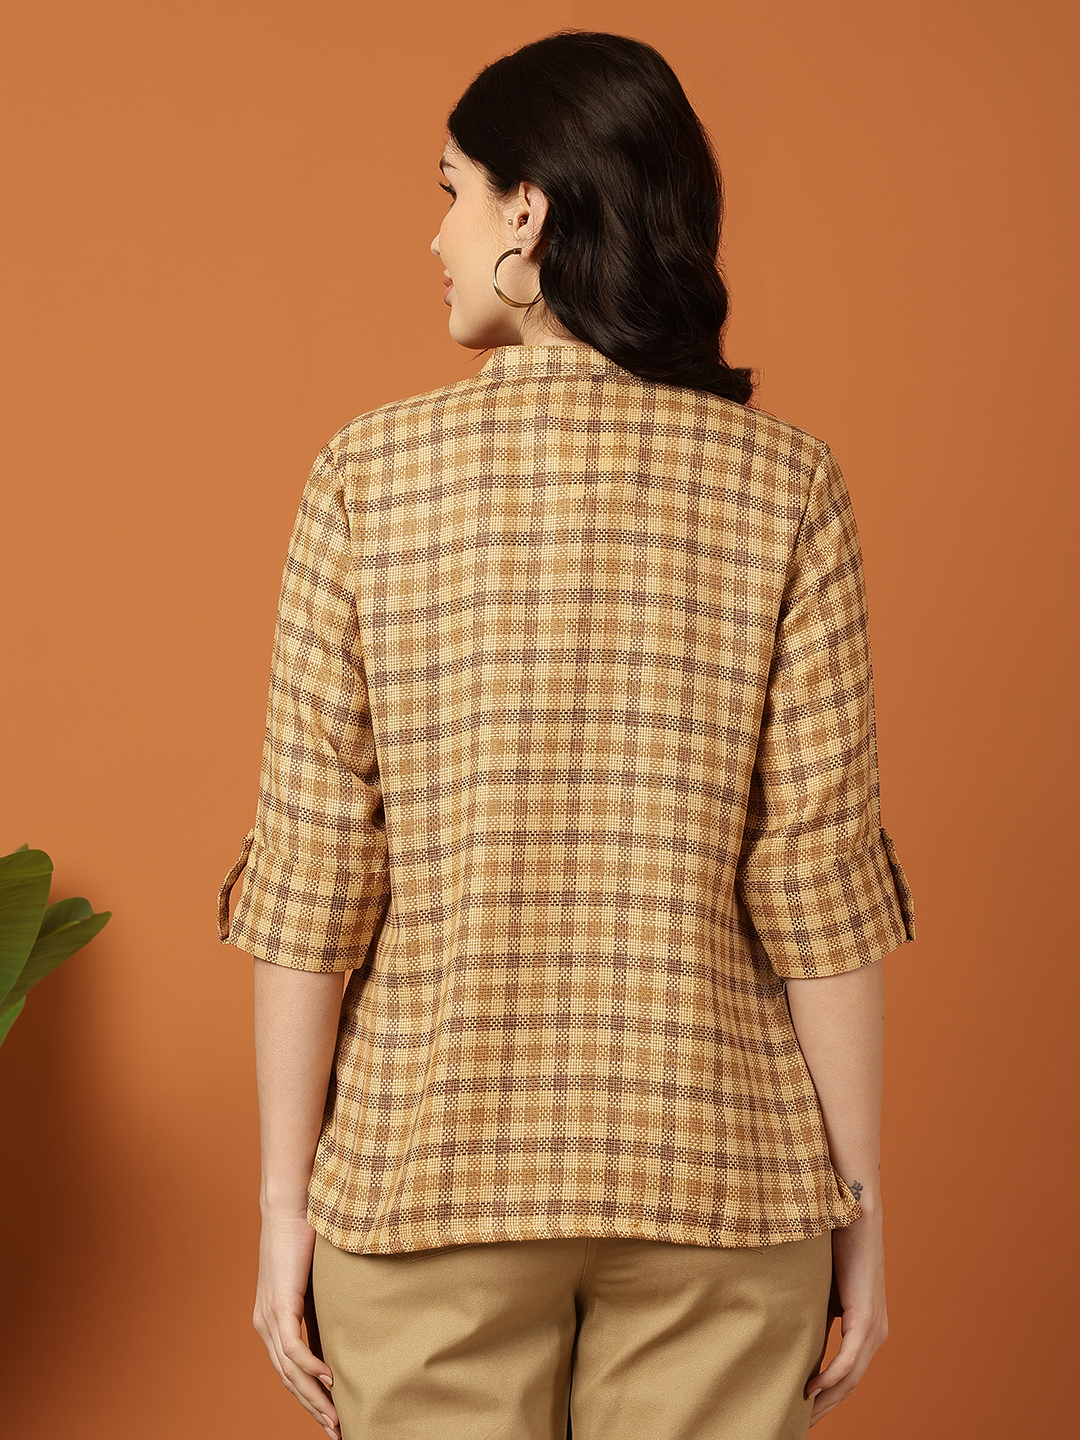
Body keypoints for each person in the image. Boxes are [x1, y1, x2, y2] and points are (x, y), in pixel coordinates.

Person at [217, 29, 915, 1440]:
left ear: (526, 212)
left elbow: (315, 880)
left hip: (427, 1180)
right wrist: (858, 1205)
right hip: (722, 1180)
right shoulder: (788, 489)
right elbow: (817, 882)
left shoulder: (367, 480)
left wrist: (287, 1204)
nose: (436, 239)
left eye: (451, 193)